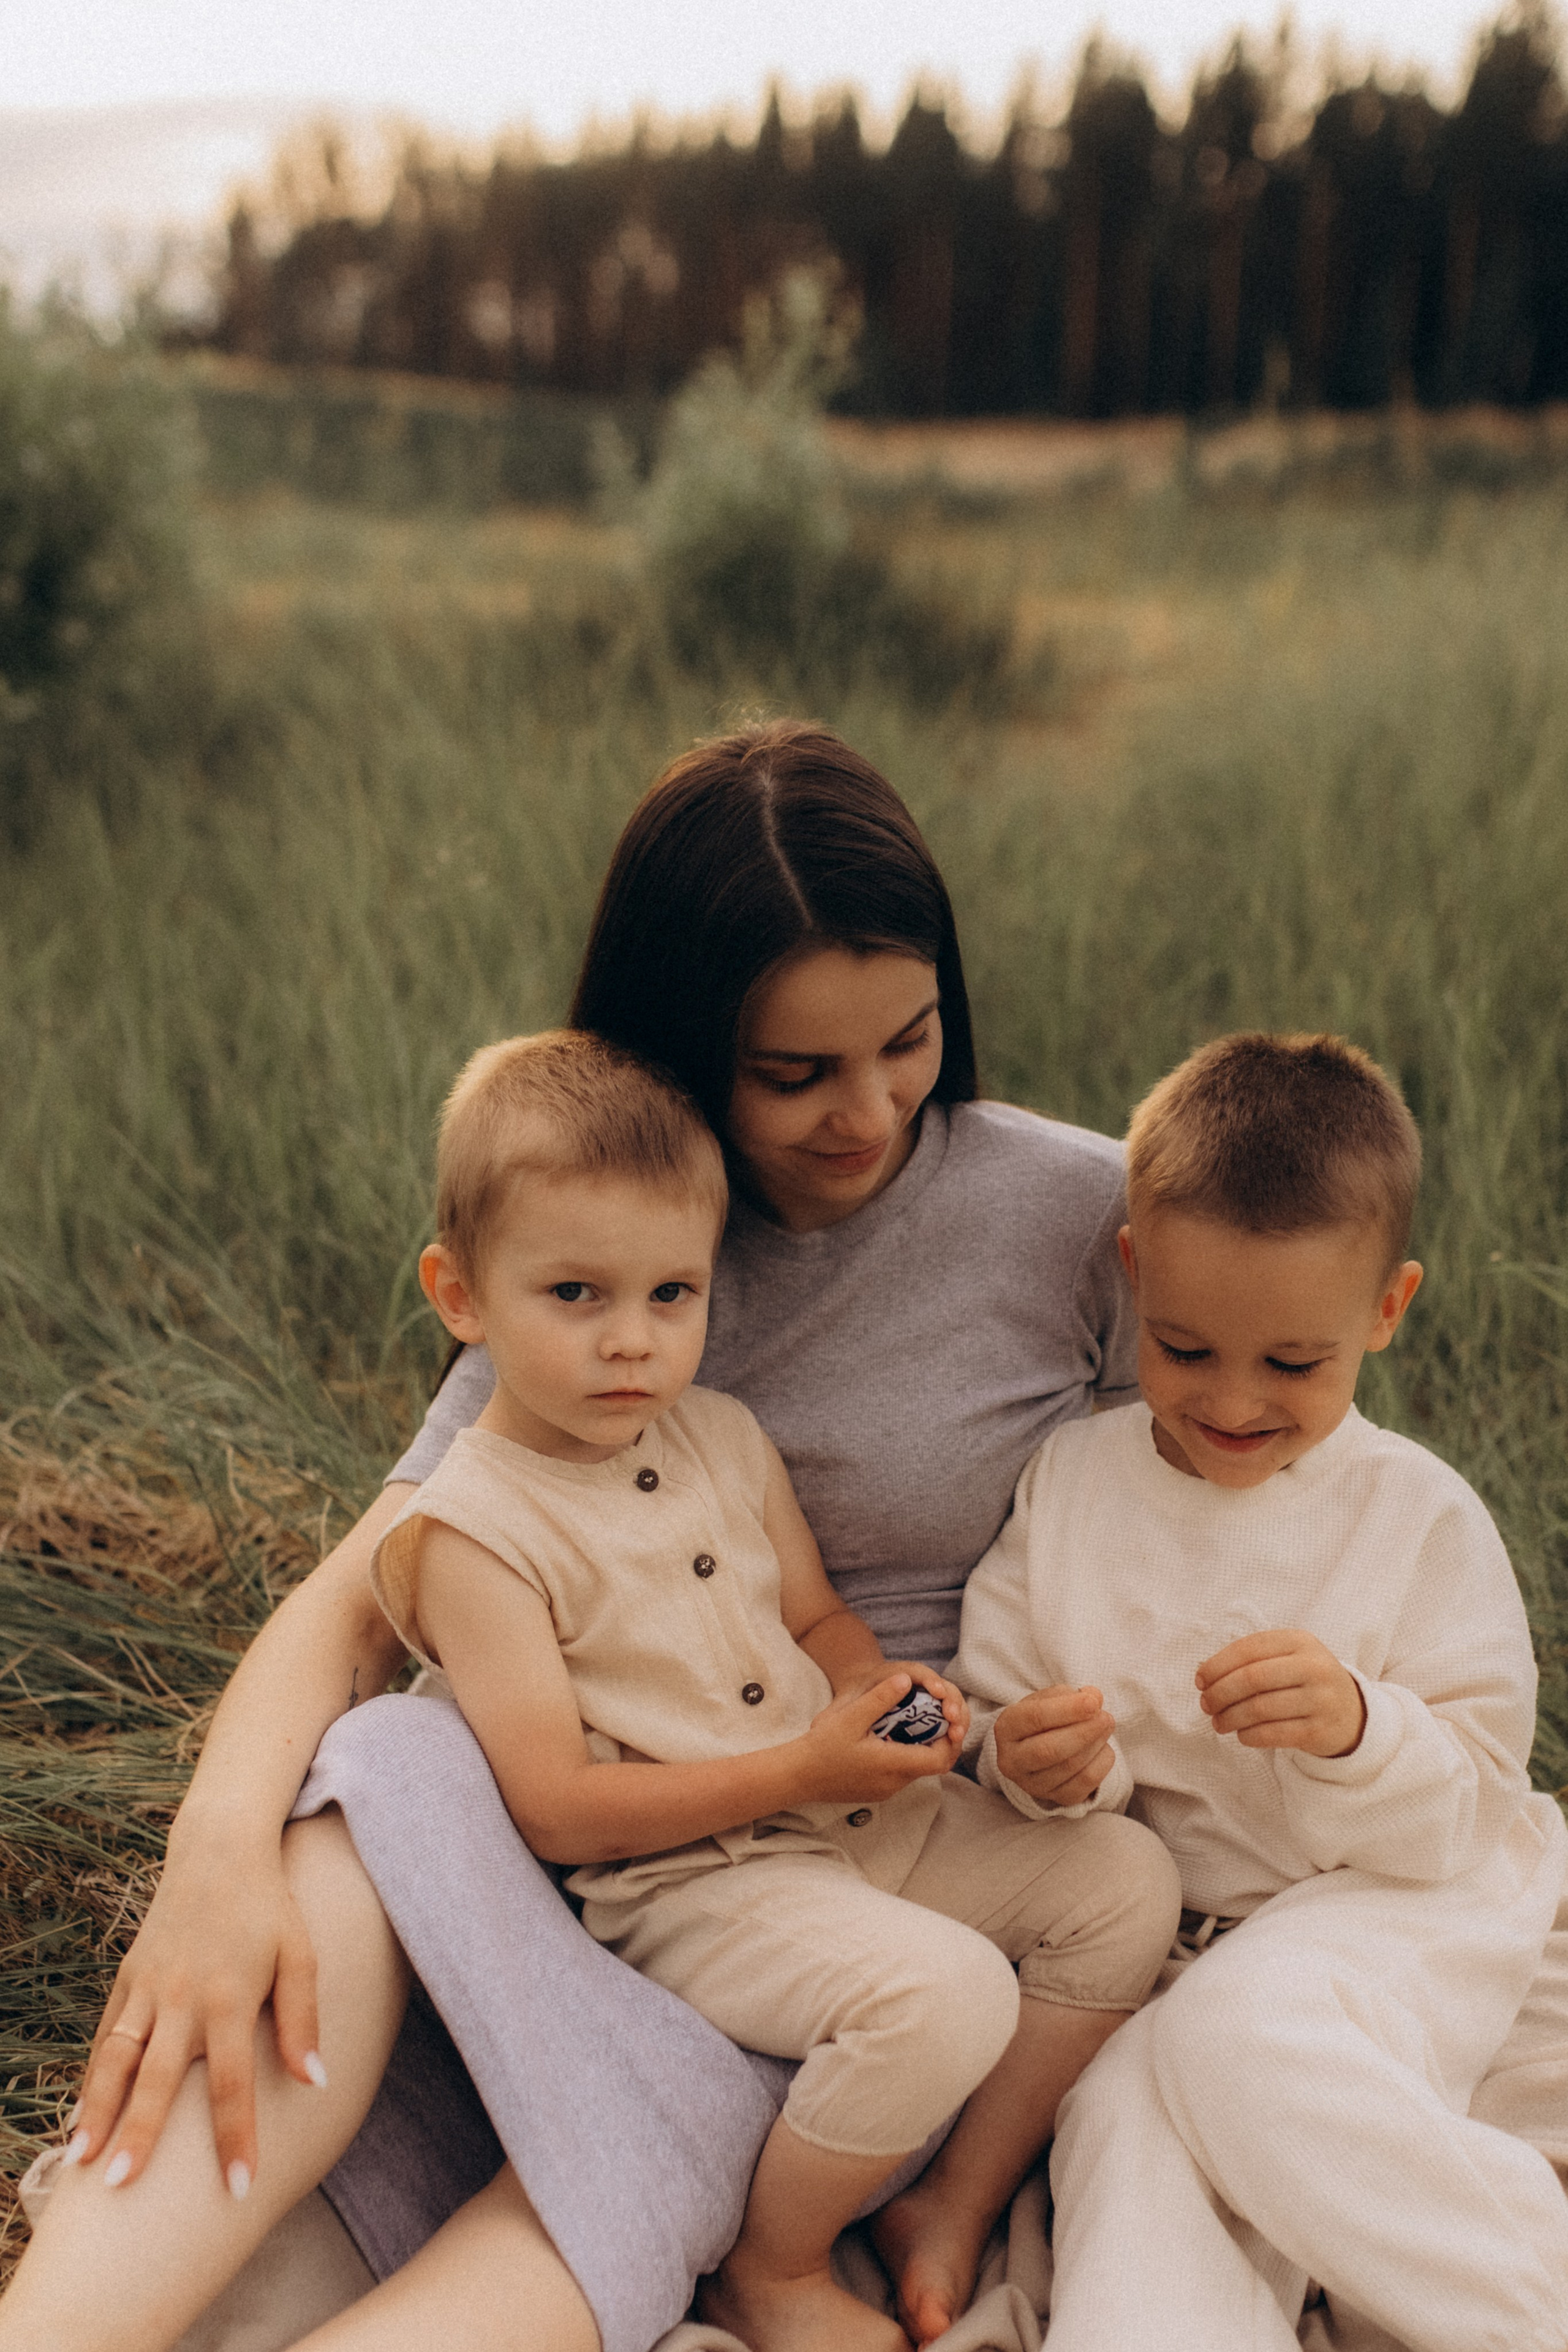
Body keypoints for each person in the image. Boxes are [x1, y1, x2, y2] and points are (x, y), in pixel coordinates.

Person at [2, 721, 1151, 2352]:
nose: (869, 1113)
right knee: (380, 1793)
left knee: (634, 2163)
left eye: (908, 1041)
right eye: (795, 1073)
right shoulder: (603, 1235)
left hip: (851, 1868)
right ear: (686, 1047)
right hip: (577, 1819)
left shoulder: (1073, 1215)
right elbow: (357, 1607)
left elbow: (1234, 1477)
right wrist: (212, 1862)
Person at [372, 1026, 1180, 2352]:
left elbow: (812, 1616)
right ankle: (775, 2260)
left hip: (846, 1821)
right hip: (693, 1887)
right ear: (460, 1295)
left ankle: (949, 2202)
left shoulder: (720, 1434)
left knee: (1121, 1884)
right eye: (573, 1296)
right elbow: (561, 1812)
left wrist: (888, 1698)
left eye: (670, 1296)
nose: (630, 1343)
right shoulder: (474, 1534)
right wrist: (805, 1771)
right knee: (946, 1995)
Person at [949, 1031, 1568, 2352]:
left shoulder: (1413, 1517)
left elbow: (1472, 1800)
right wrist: (1036, 1762)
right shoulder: (1071, 1488)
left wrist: (1357, 1731)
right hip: (1187, 1949)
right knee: (1118, 2120)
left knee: (1234, 2042)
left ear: (1384, 1312)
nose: (1231, 1401)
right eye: (1182, 1350)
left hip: (1394, 1907)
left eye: (1292, 1365)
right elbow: (999, 1705)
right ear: (1132, 1279)